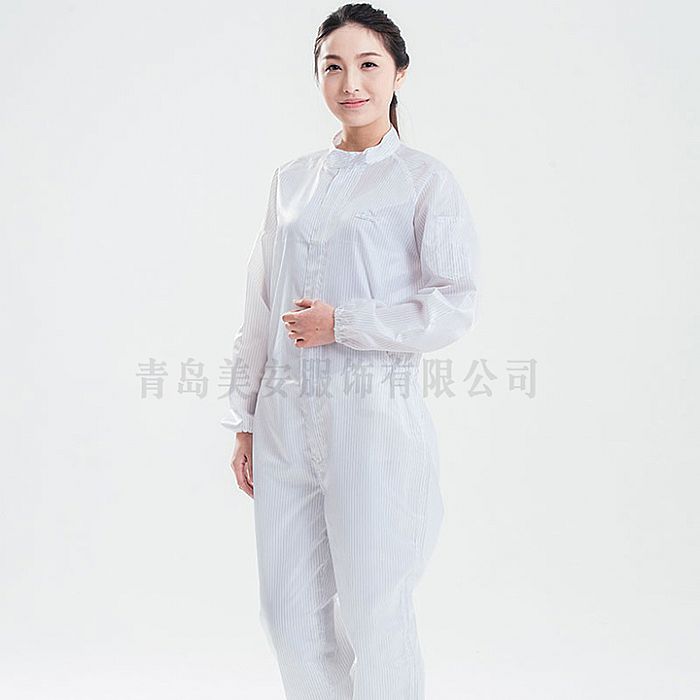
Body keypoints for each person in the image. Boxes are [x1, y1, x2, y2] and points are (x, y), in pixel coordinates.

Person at [221, 4, 479, 698]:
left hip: (371, 422)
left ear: (399, 73)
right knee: (288, 616)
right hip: (282, 423)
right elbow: (260, 303)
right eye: (332, 67)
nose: (350, 83)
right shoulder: (291, 181)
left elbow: (454, 302)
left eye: (368, 64)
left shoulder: (423, 181)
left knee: (375, 610)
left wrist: (346, 323)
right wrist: (244, 419)